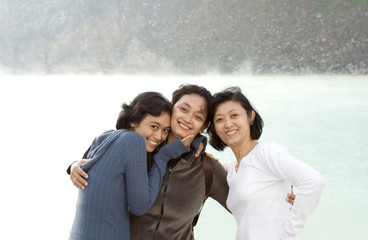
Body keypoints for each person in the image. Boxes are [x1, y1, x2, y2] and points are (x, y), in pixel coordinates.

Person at [68, 84, 296, 240]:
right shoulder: (140, 152)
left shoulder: (207, 169)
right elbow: (98, 169)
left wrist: (282, 198)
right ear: (171, 108)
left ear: (203, 126)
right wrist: (73, 166)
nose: (188, 119)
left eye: (198, 117)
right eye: (183, 109)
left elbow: (245, 203)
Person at [69, 92, 194, 240]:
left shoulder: (105, 137)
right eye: (154, 126)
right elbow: (139, 207)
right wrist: (163, 157)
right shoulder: (134, 141)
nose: (159, 136)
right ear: (133, 121)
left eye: (165, 130)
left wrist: (72, 166)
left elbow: (84, 163)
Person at [207, 86, 325, 240]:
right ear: (215, 128)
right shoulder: (231, 169)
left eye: (234, 115)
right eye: (219, 119)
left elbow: (313, 182)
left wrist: (287, 234)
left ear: (250, 117)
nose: (228, 124)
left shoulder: (266, 153)